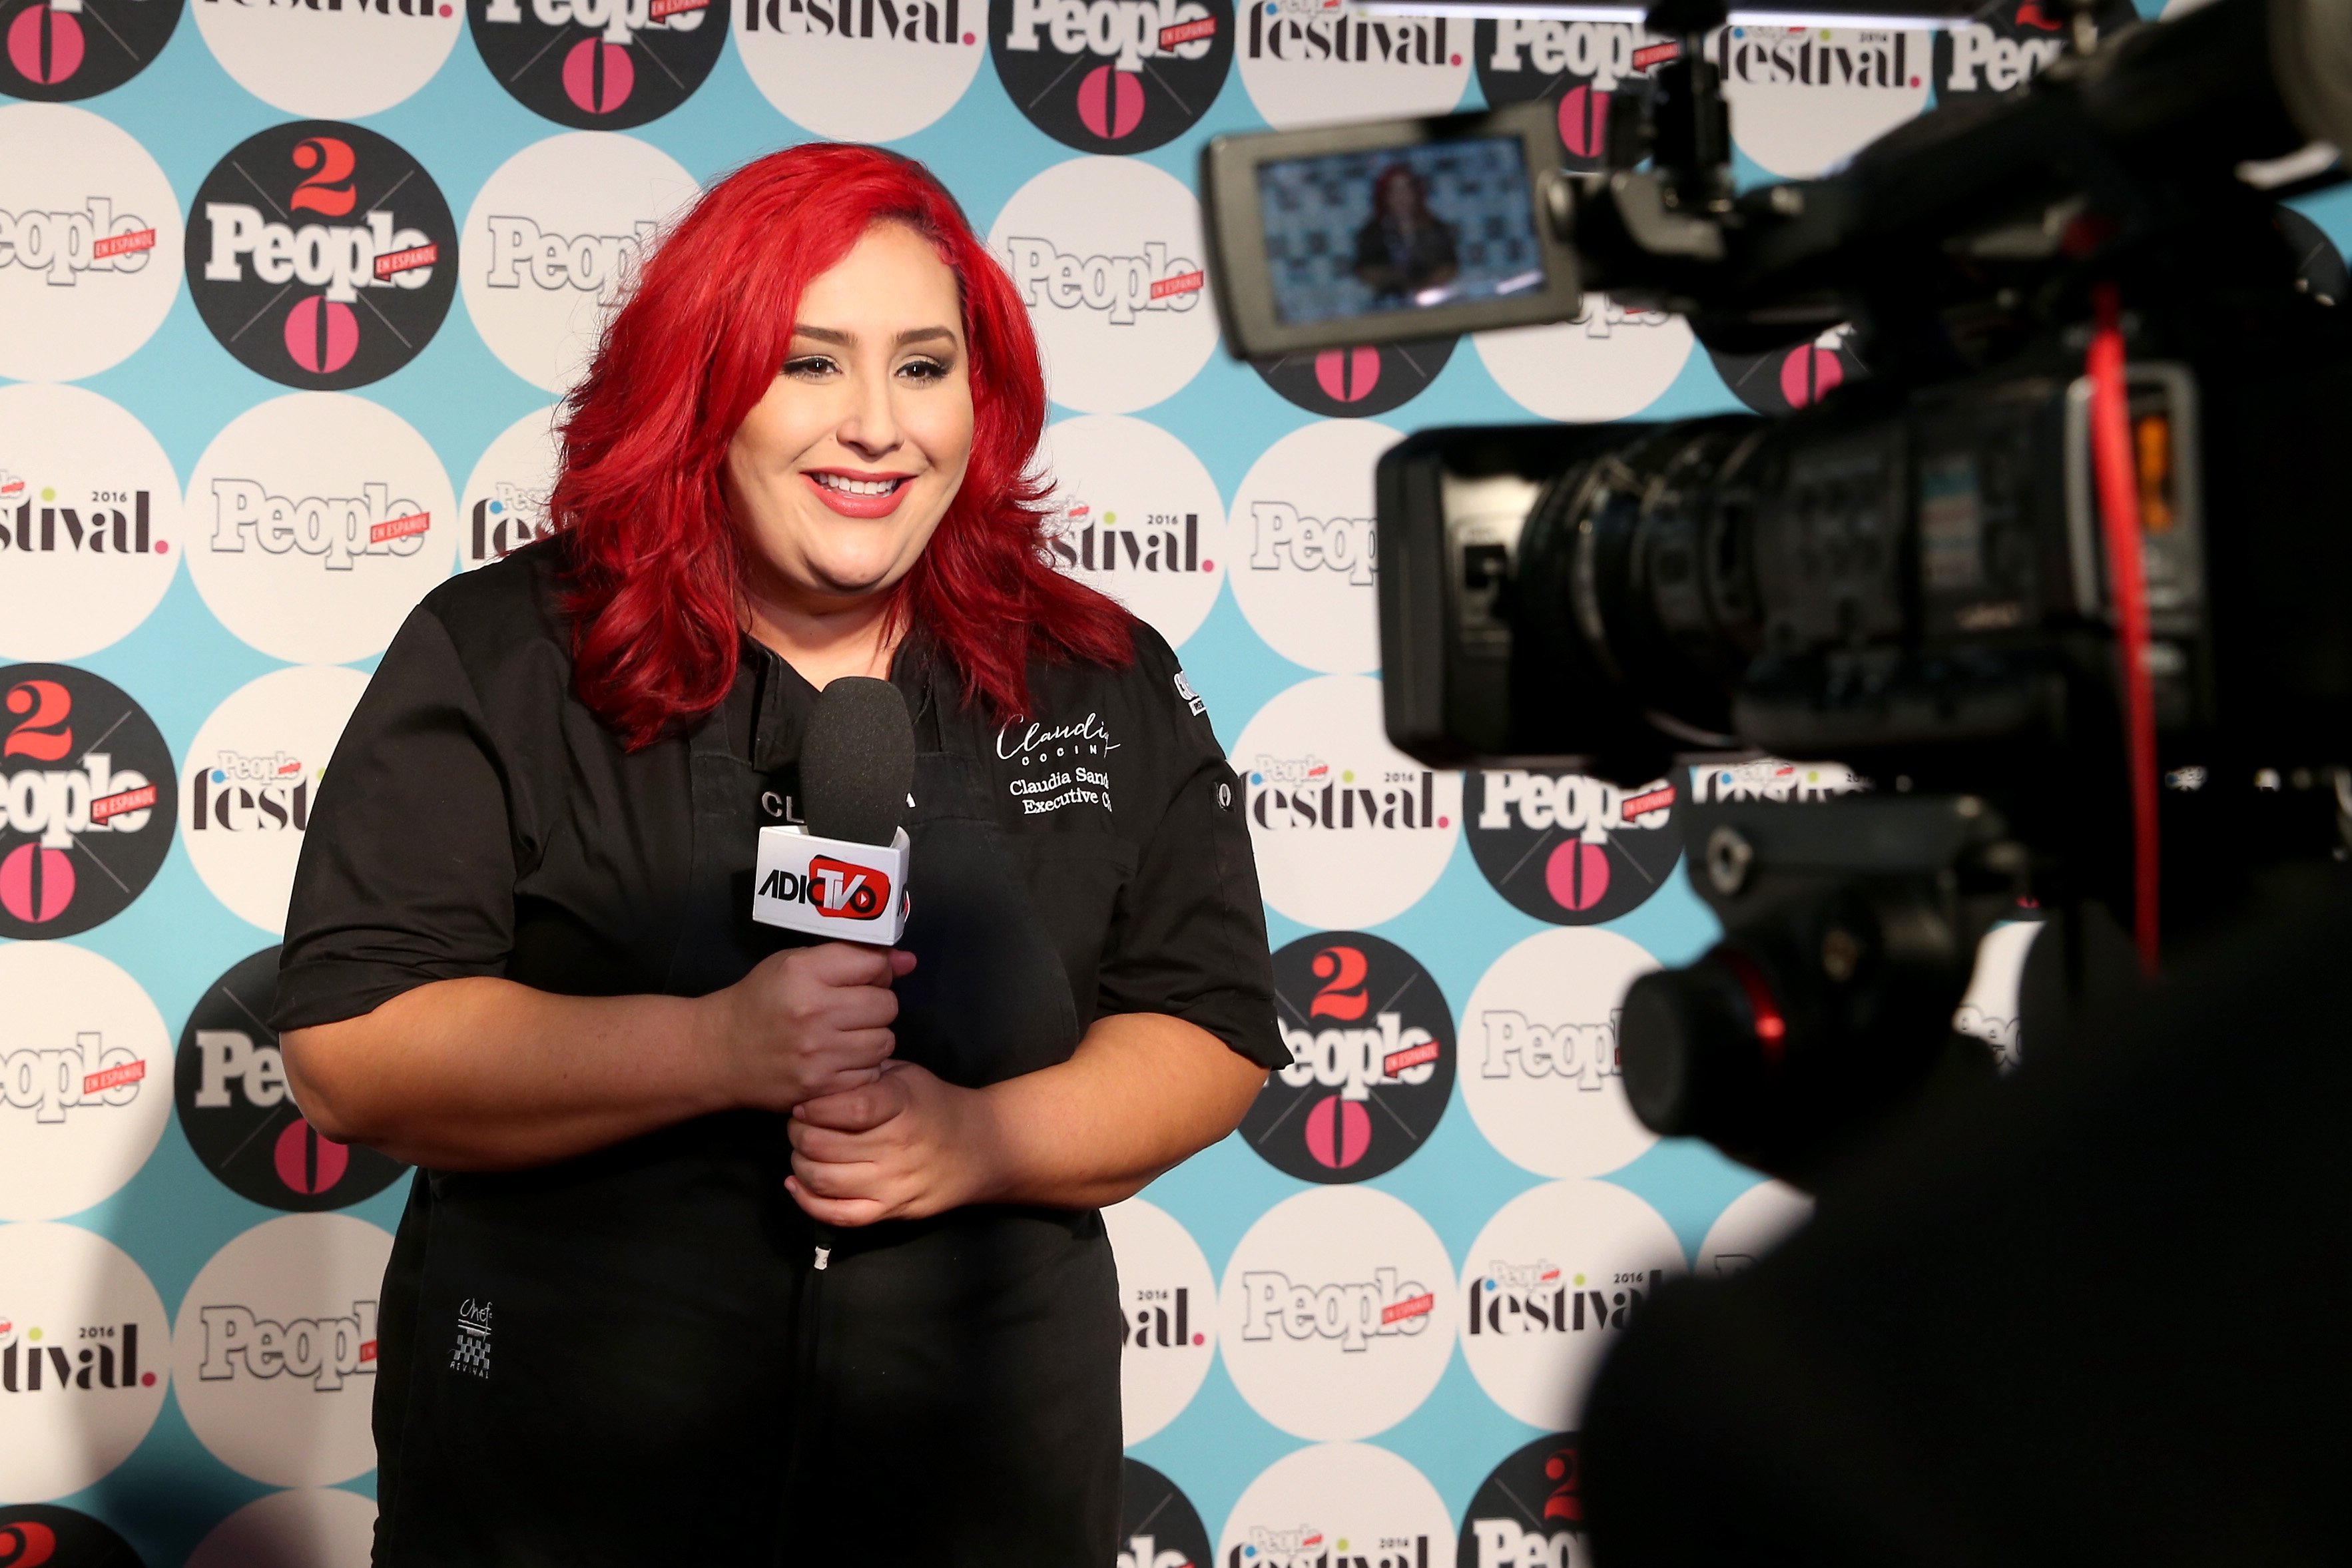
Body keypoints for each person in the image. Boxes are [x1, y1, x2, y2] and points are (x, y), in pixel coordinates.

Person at [274, 144, 1283, 1567]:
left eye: (923, 368)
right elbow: (353, 1048)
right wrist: (715, 1048)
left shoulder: (1097, 672)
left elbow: (1206, 1023)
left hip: (983, 1483)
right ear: (699, 384)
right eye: (810, 363)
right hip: (558, 1484)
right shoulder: (502, 652)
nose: (876, 426)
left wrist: (976, 1142)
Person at [1352, 162, 1459, 304]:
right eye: (1394, 191)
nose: (1401, 197)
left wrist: (1426, 283)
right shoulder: (1373, 232)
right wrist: (1394, 278)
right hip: (1390, 302)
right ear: (1385, 196)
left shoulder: (1434, 228)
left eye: (1406, 190)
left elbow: (1449, 266)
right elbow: (1366, 270)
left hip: (1433, 299)